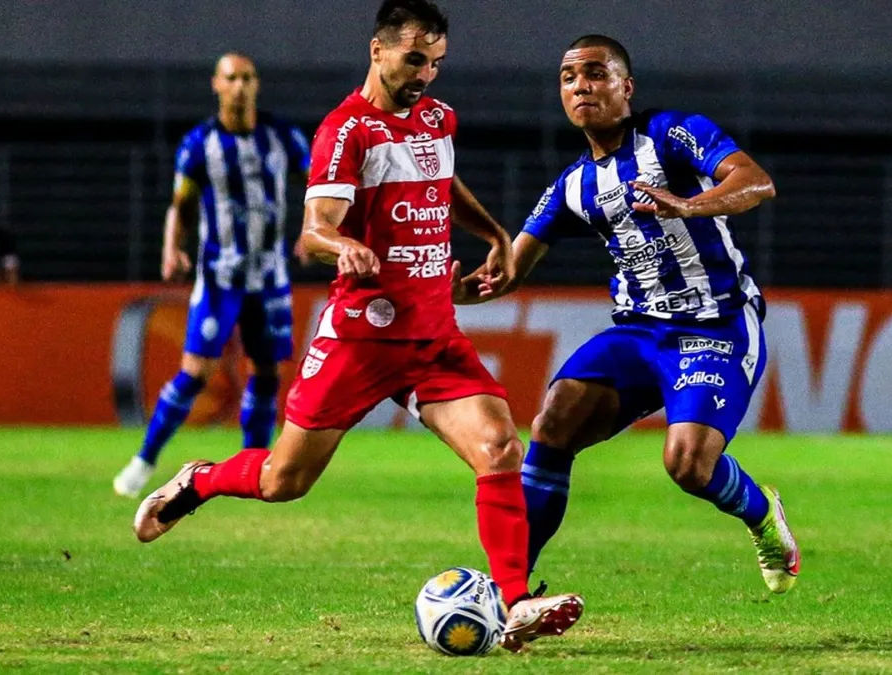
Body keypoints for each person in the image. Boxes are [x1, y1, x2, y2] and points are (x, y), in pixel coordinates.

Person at [132, 0, 582, 652]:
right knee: (284, 479)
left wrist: (493, 232)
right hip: (362, 338)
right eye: (414, 59)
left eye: (436, 62)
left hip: (432, 336)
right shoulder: (347, 131)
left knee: (500, 448)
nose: (426, 74)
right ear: (378, 51)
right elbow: (315, 224)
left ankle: (514, 603)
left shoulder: (436, 119)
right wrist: (340, 245)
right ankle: (200, 479)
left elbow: (441, 180)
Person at [457, 35, 800, 594]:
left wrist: (689, 204)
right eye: (569, 77)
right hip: (640, 333)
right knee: (552, 422)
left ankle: (762, 514)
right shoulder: (571, 185)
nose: (580, 86)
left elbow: (756, 181)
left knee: (688, 464)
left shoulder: (669, 133)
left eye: (595, 73)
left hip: (716, 325)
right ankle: (510, 589)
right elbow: (507, 272)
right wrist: (452, 291)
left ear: (625, 87)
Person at [112, 52, 312, 498]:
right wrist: (171, 248)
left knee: (265, 373)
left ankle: (252, 468)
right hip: (220, 278)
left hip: (270, 277)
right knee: (196, 372)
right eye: (231, 78)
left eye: (247, 78)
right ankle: (144, 459)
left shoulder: (283, 137)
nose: (240, 86)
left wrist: (312, 230)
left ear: (256, 85)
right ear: (216, 85)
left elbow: (318, 185)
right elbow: (180, 205)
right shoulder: (199, 144)